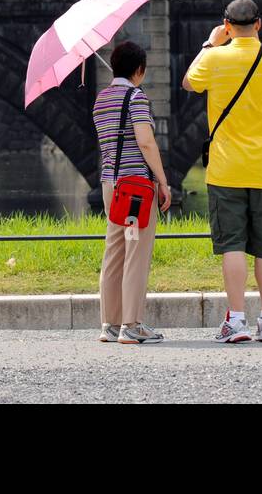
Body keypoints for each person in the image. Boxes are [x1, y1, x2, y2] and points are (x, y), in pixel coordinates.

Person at [182, 0, 262, 343]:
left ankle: (235, 321)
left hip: (226, 168)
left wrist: (209, 43)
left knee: (232, 245)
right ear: (259, 24)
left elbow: (188, 83)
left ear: (227, 26)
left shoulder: (215, 57)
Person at [93, 40, 172, 344]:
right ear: (139, 69)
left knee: (114, 254)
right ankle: (132, 325)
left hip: (110, 186)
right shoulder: (136, 98)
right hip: (136, 189)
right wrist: (162, 182)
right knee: (136, 254)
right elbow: (146, 142)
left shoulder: (101, 100)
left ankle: (109, 325)